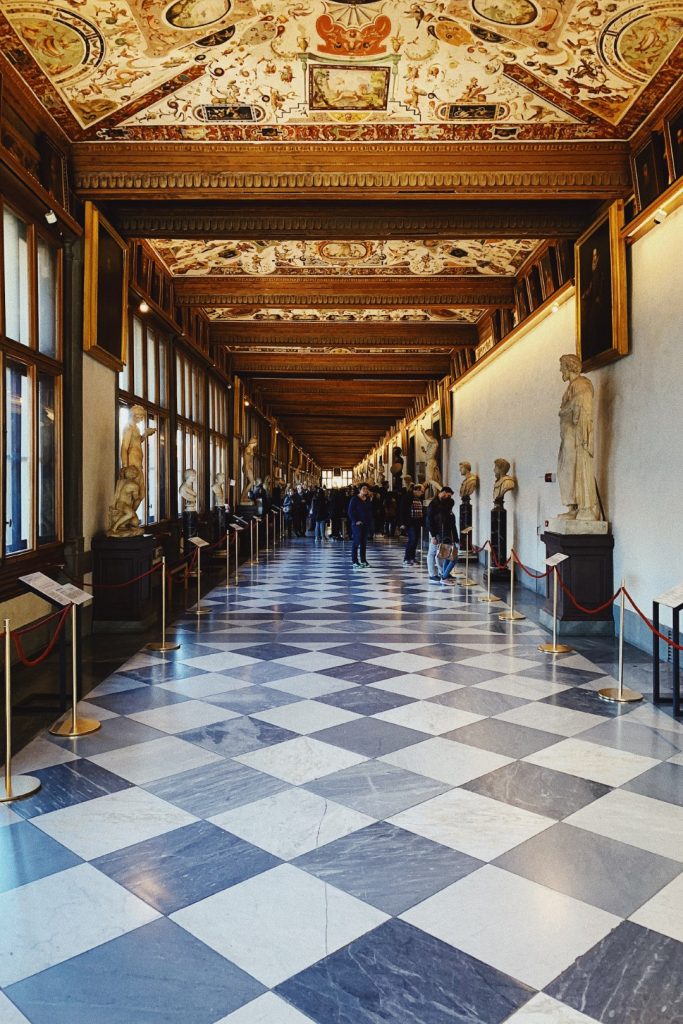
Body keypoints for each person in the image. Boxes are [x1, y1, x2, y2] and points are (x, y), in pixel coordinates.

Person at [557, 353, 600, 520]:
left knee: (574, 469)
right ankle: (573, 507)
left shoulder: (581, 384)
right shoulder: (572, 386)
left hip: (576, 437)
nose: (561, 370)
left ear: (569, 367)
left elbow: (583, 402)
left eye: (562, 366)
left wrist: (565, 409)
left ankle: (585, 508)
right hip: (568, 436)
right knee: (566, 470)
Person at [426, 486, 459, 585]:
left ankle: (442, 573)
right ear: (444, 492)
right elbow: (430, 520)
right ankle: (432, 574)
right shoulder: (433, 504)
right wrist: (433, 536)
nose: (449, 497)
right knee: (432, 553)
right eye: (448, 495)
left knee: (442, 553)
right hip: (435, 532)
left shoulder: (445, 503)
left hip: (443, 532)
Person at [348, 483, 373, 568]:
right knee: (356, 542)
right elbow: (350, 512)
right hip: (357, 524)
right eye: (363, 488)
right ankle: (355, 561)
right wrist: (356, 521)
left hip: (366, 523)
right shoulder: (354, 499)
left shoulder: (368, 499)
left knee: (363, 543)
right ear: (359, 489)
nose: (365, 490)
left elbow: (370, 510)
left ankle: (363, 560)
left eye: (366, 489)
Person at [400, 484, 424, 565]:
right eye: (421, 491)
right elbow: (402, 510)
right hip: (410, 522)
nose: (422, 493)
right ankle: (406, 558)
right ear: (416, 490)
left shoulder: (419, 498)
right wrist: (402, 523)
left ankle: (412, 558)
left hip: (417, 522)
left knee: (416, 540)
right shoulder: (407, 497)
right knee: (412, 539)